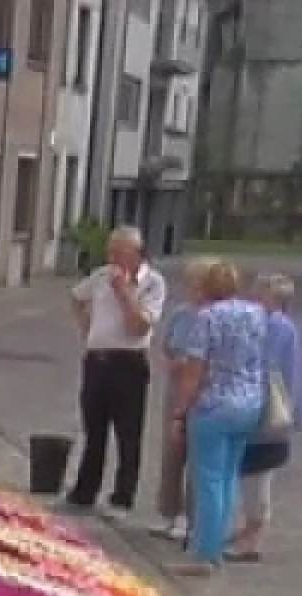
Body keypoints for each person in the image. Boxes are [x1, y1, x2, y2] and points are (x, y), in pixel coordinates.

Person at [167, 260, 267, 576]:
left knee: (207, 480)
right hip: (249, 402)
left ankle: (204, 555)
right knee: (227, 479)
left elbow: (194, 373)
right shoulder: (255, 314)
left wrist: (179, 412)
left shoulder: (207, 318)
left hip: (214, 405)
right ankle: (217, 546)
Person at [64, 225, 166, 519]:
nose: (111, 257)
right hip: (97, 361)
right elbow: (75, 297)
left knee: (128, 434)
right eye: (110, 251)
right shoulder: (99, 276)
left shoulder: (152, 283)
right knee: (93, 430)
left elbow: (140, 326)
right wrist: (85, 326)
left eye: (118, 252)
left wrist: (124, 293)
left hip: (129, 363)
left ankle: (122, 498)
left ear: (135, 254)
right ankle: (84, 492)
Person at [226, 273, 302, 561]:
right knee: (251, 472)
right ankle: (248, 527)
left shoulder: (278, 327)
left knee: (257, 474)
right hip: (260, 407)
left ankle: (253, 536)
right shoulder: (270, 324)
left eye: (261, 294)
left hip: (267, 410)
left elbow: (271, 367)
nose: (254, 299)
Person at [151, 257, 217, 541]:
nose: (194, 290)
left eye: (199, 284)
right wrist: (171, 361)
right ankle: (170, 512)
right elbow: (166, 345)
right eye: (191, 284)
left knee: (198, 456)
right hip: (176, 387)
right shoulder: (181, 313)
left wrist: (191, 364)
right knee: (172, 453)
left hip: (205, 391)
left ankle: (192, 518)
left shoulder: (217, 316)